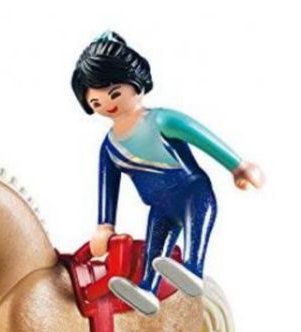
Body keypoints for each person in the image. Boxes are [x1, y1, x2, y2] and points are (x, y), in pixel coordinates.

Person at [71, 32, 264, 314]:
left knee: (194, 236)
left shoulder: (160, 120)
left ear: (136, 83)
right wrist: (105, 226)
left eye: (114, 93)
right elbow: (107, 186)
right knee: (155, 250)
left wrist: (238, 166)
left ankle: (194, 269)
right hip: (159, 207)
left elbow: (201, 136)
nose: (108, 104)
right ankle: (147, 289)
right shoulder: (110, 146)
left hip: (192, 192)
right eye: (96, 103)